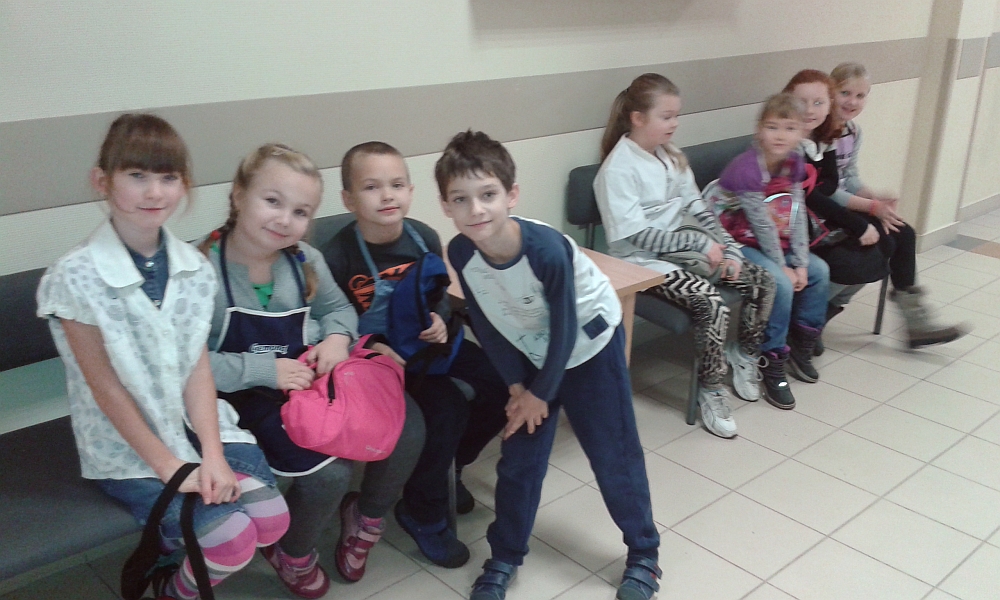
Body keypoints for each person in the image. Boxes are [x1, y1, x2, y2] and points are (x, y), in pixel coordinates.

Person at [36, 114, 291, 600]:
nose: (154, 192)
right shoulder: (75, 276)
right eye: (137, 175)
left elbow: (196, 367)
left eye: (168, 177)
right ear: (102, 181)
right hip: (128, 444)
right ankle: (175, 589)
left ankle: (179, 550)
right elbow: (105, 388)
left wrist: (212, 455)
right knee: (233, 542)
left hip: (199, 423)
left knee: (272, 521)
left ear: (183, 185)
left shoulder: (194, 267)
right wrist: (172, 467)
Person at [437, 130, 661, 600]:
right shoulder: (461, 252)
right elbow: (487, 322)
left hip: (588, 346)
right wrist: (517, 387)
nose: (475, 209)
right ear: (446, 206)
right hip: (532, 352)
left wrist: (540, 392)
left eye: (488, 194)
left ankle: (644, 553)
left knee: (612, 454)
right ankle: (504, 556)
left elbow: (565, 327)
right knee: (519, 462)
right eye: (460, 199)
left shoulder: (544, 250)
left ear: (511, 195)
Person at [199, 143, 425, 596]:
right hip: (236, 397)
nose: (285, 220)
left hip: (305, 381)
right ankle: (293, 551)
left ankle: (365, 517)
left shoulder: (303, 259)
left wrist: (337, 339)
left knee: (404, 429)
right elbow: (190, 365)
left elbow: (338, 309)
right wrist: (266, 371)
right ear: (239, 194)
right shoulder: (201, 270)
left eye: (301, 212)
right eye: (272, 201)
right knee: (329, 473)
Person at [323, 141, 508, 569]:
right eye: (371, 187)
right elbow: (327, 323)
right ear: (349, 199)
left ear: (410, 190)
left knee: (501, 383)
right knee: (444, 412)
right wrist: (369, 348)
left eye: (396, 185)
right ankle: (423, 514)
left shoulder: (423, 236)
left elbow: (438, 291)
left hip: (428, 345)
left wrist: (439, 317)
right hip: (375, 362)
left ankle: (453, 466)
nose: (387, 196)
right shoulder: (336, 255)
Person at [594, 73, 776, 439]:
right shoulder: (617, 169)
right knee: (710, 302)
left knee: (762, 281)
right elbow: (636, 236)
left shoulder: (671, 156)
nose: (674, 124)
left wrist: (727, 247)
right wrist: (698, 245)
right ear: (638, 118)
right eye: (666, 116)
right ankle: (711, 389)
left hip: (683, 251)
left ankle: (743, 355)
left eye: (677, 115)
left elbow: (698, 206)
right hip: (640, 264)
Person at [793, 64, 964, 351]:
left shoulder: (852, 131)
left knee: (902, 233)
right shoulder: (815, 132)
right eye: (845, 93)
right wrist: (870, 207)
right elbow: (823, 191)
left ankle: (915, 321)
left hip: (844, 206)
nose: (852, 101)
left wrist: (873, 199)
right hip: (821, 213)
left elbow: (850, 177)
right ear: (831, 93)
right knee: (876, 245)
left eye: (860, 96)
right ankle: (813, 317)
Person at [712, 94, 830, 409]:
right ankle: (770, 356)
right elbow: (761, 225)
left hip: (767, 236)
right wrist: (784, 267)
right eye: (772, 127)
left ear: (801, 132)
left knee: (819, 271)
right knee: (779, 282)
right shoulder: (748, 168)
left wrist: (801, 264)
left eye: (790, 128)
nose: (780, 136)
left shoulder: (794, 161)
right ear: (759, 130)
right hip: (732, 239)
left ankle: (801, 343)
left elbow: (795, 212)